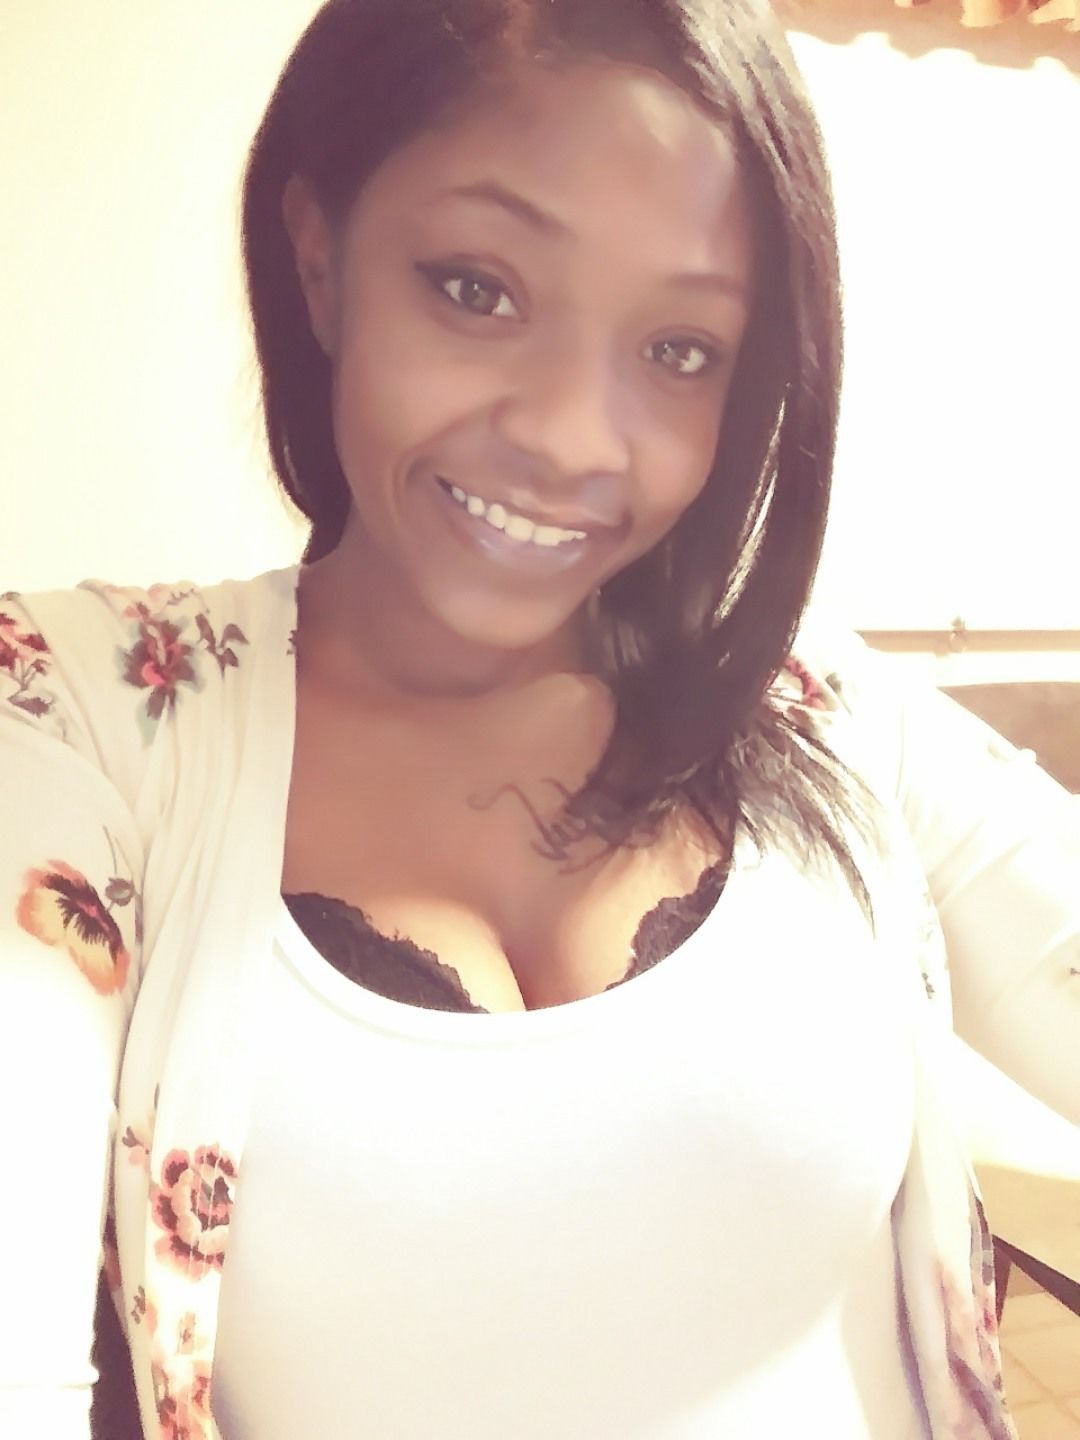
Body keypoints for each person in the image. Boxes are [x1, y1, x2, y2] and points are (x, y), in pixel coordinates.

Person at [1, 0, 1076, 1436]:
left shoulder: (812, 706)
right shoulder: (79, 717)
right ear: (320, 261)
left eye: (680, 349)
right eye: (478, 289)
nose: (574, 438)